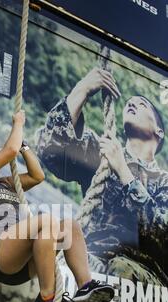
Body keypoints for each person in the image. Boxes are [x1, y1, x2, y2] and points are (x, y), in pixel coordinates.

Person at [0, 110, 114, 302]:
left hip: (20, 264)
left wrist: (24, 147)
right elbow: (9, 151)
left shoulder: (5, 183)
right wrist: (18, 123)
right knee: (45, 221)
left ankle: (85, 285)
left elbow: (38, 176)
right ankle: (47, 297)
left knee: (69, 225)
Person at [37, 67, 168, 283]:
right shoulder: (102, 152)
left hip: (143, 278)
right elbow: (51, 151)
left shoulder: (163, 181)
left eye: (142, 103)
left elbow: (162, 234)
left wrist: (124, 172)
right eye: (129, 102)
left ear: (159, 132)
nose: (131, 103)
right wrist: (82, 89)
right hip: (92, 264)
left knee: (120, 270)